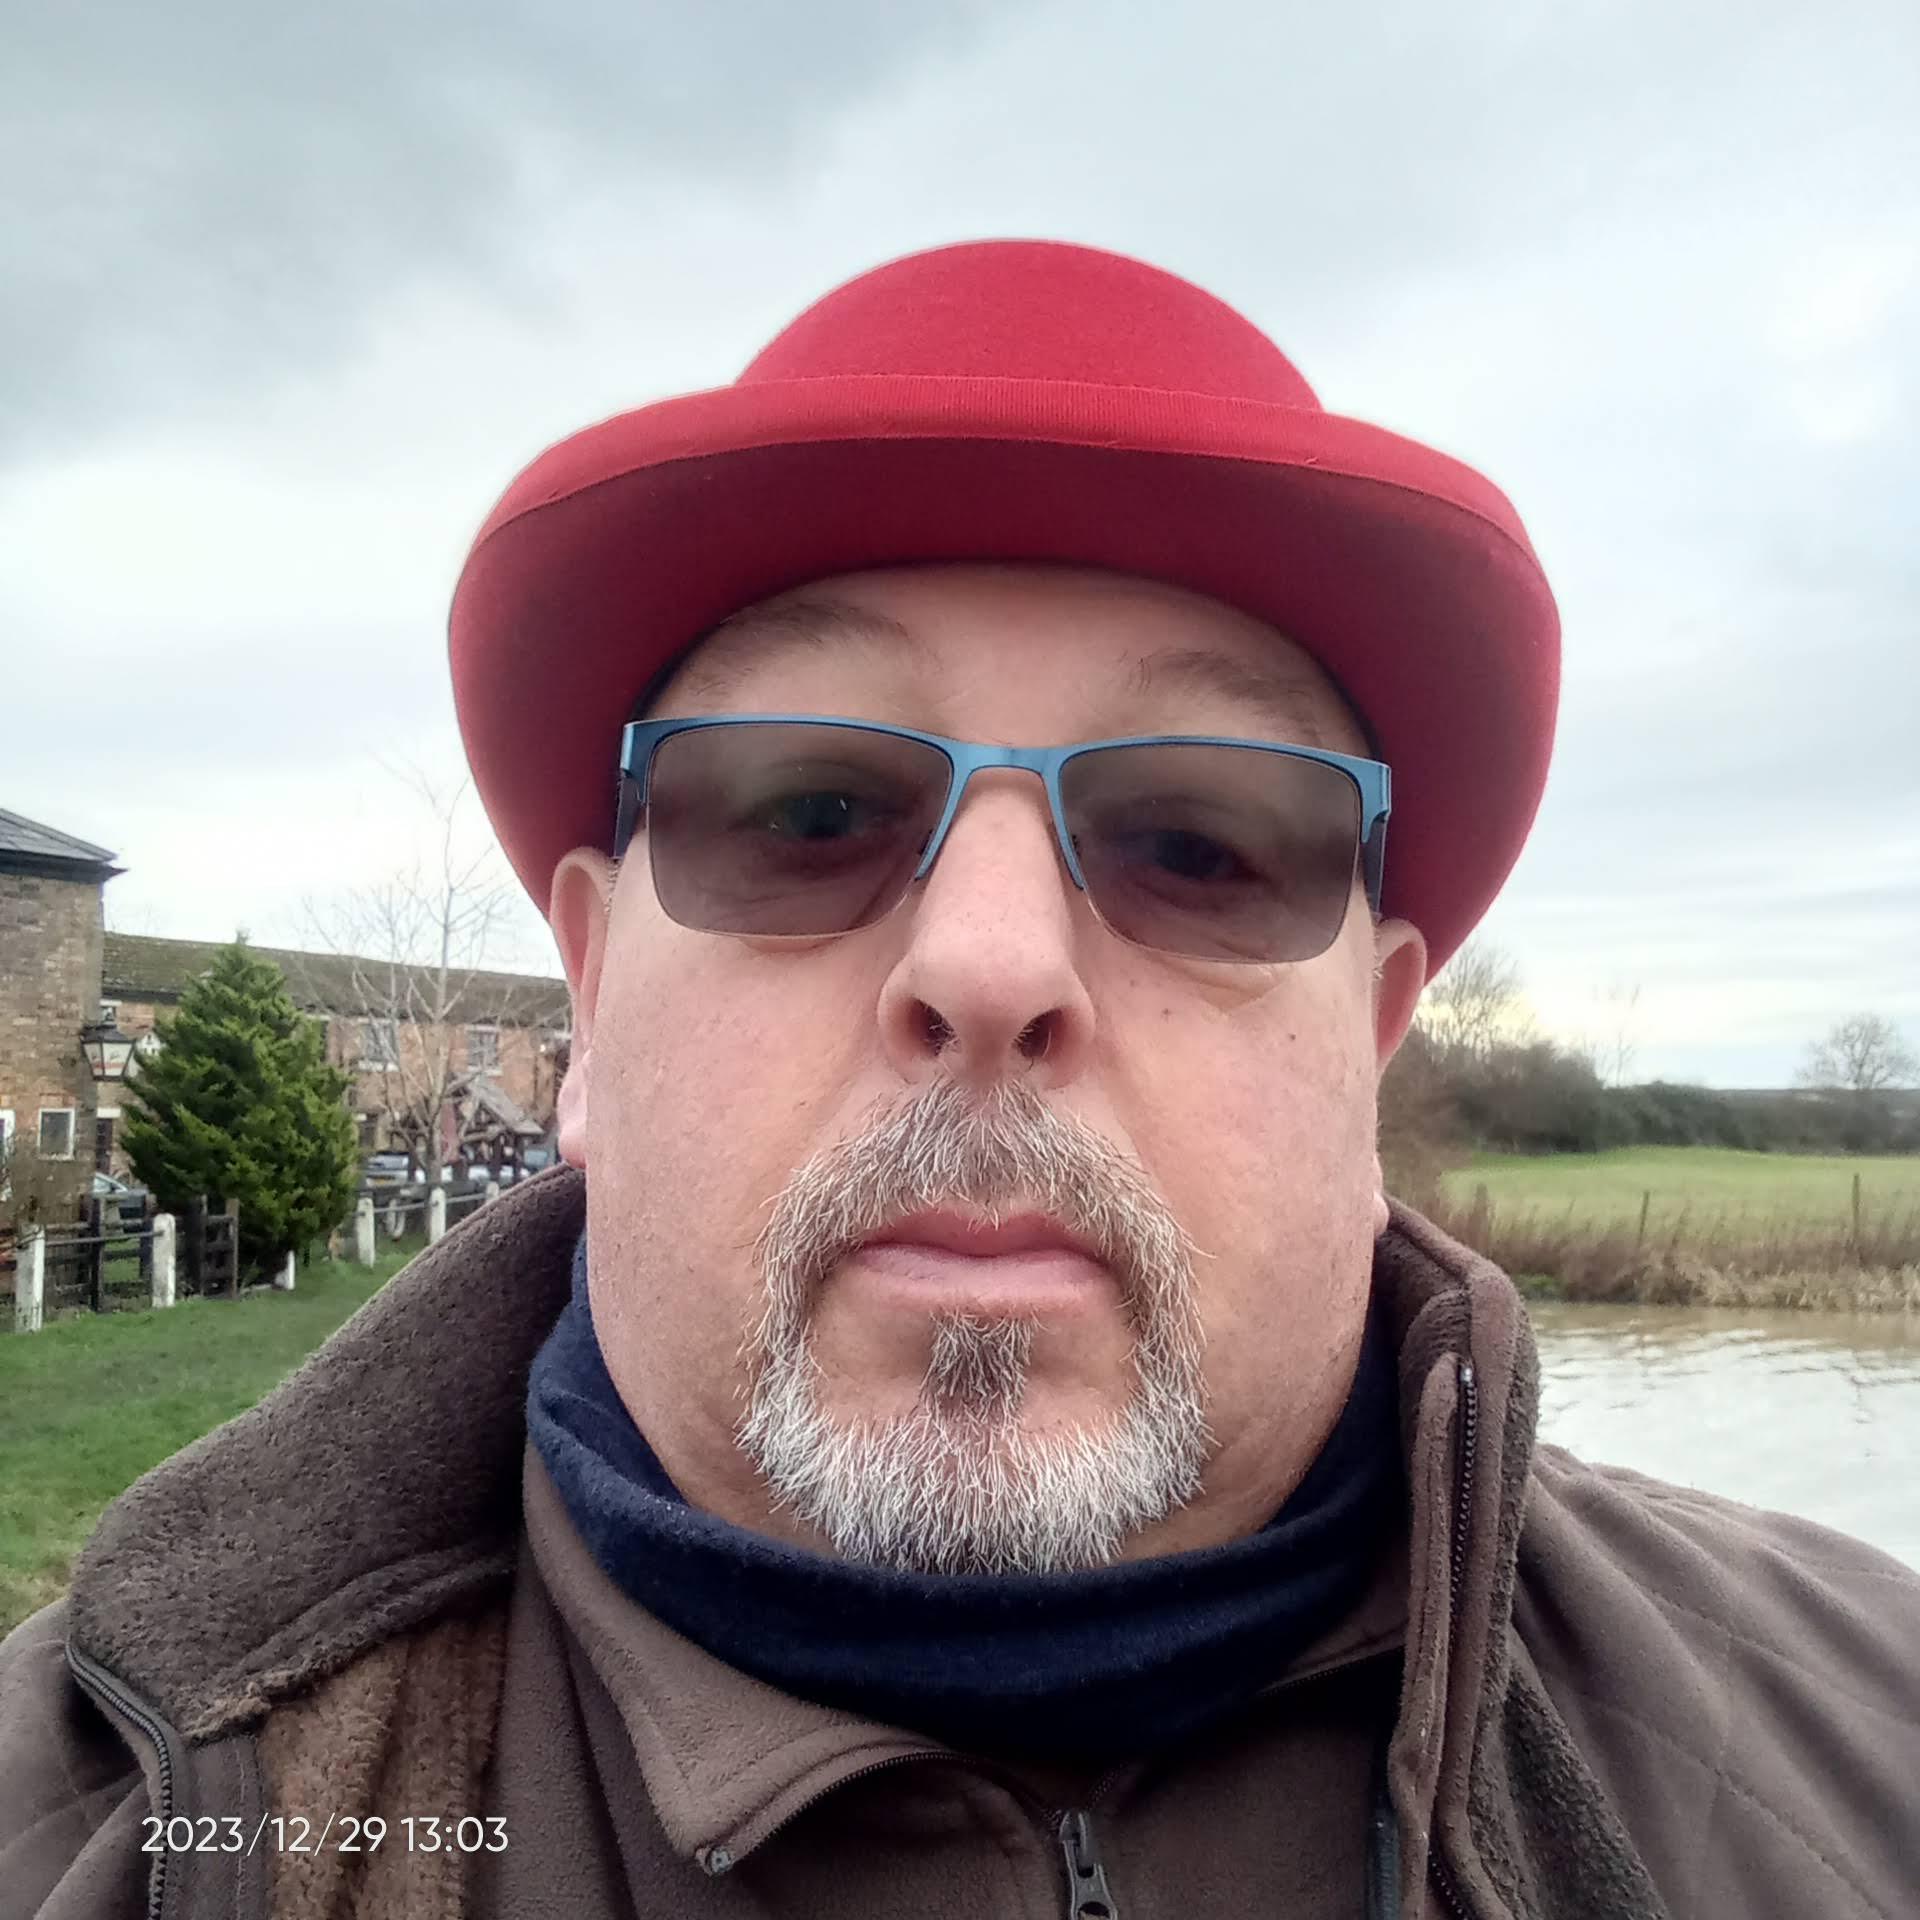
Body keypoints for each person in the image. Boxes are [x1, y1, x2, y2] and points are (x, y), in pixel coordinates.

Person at [3, 240, 1914, 1920]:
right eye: (809, 813)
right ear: (591, 1000)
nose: (990, 969)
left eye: (1200, 844)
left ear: (1372, 1042)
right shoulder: (86, 1840)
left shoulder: (1871, 1756)